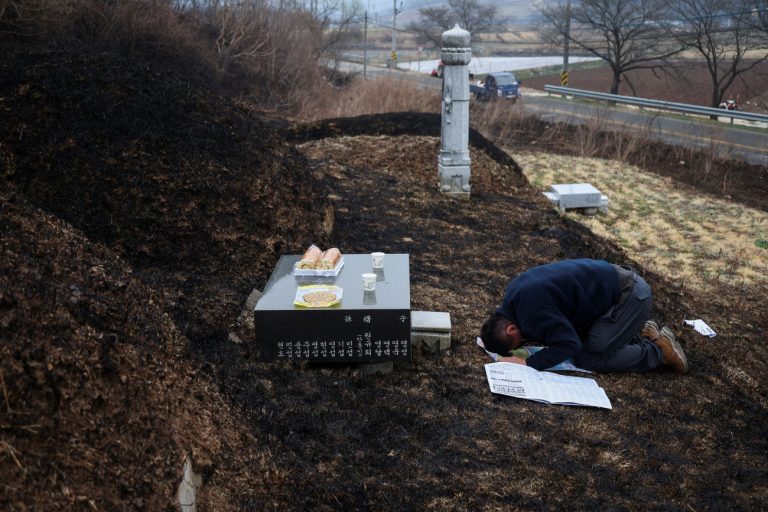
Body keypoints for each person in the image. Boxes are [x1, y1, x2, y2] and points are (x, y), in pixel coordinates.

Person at [479, 258, 688, 373]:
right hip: (619, 289)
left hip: (631, 296)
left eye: (516, 344)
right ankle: (635, 334)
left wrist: (528, 363)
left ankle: (659, 353)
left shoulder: (532, 311)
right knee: (588, 341)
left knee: (589, 357)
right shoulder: (514, 295)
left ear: (511, 329)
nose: (522, 344)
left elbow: (570, 345)